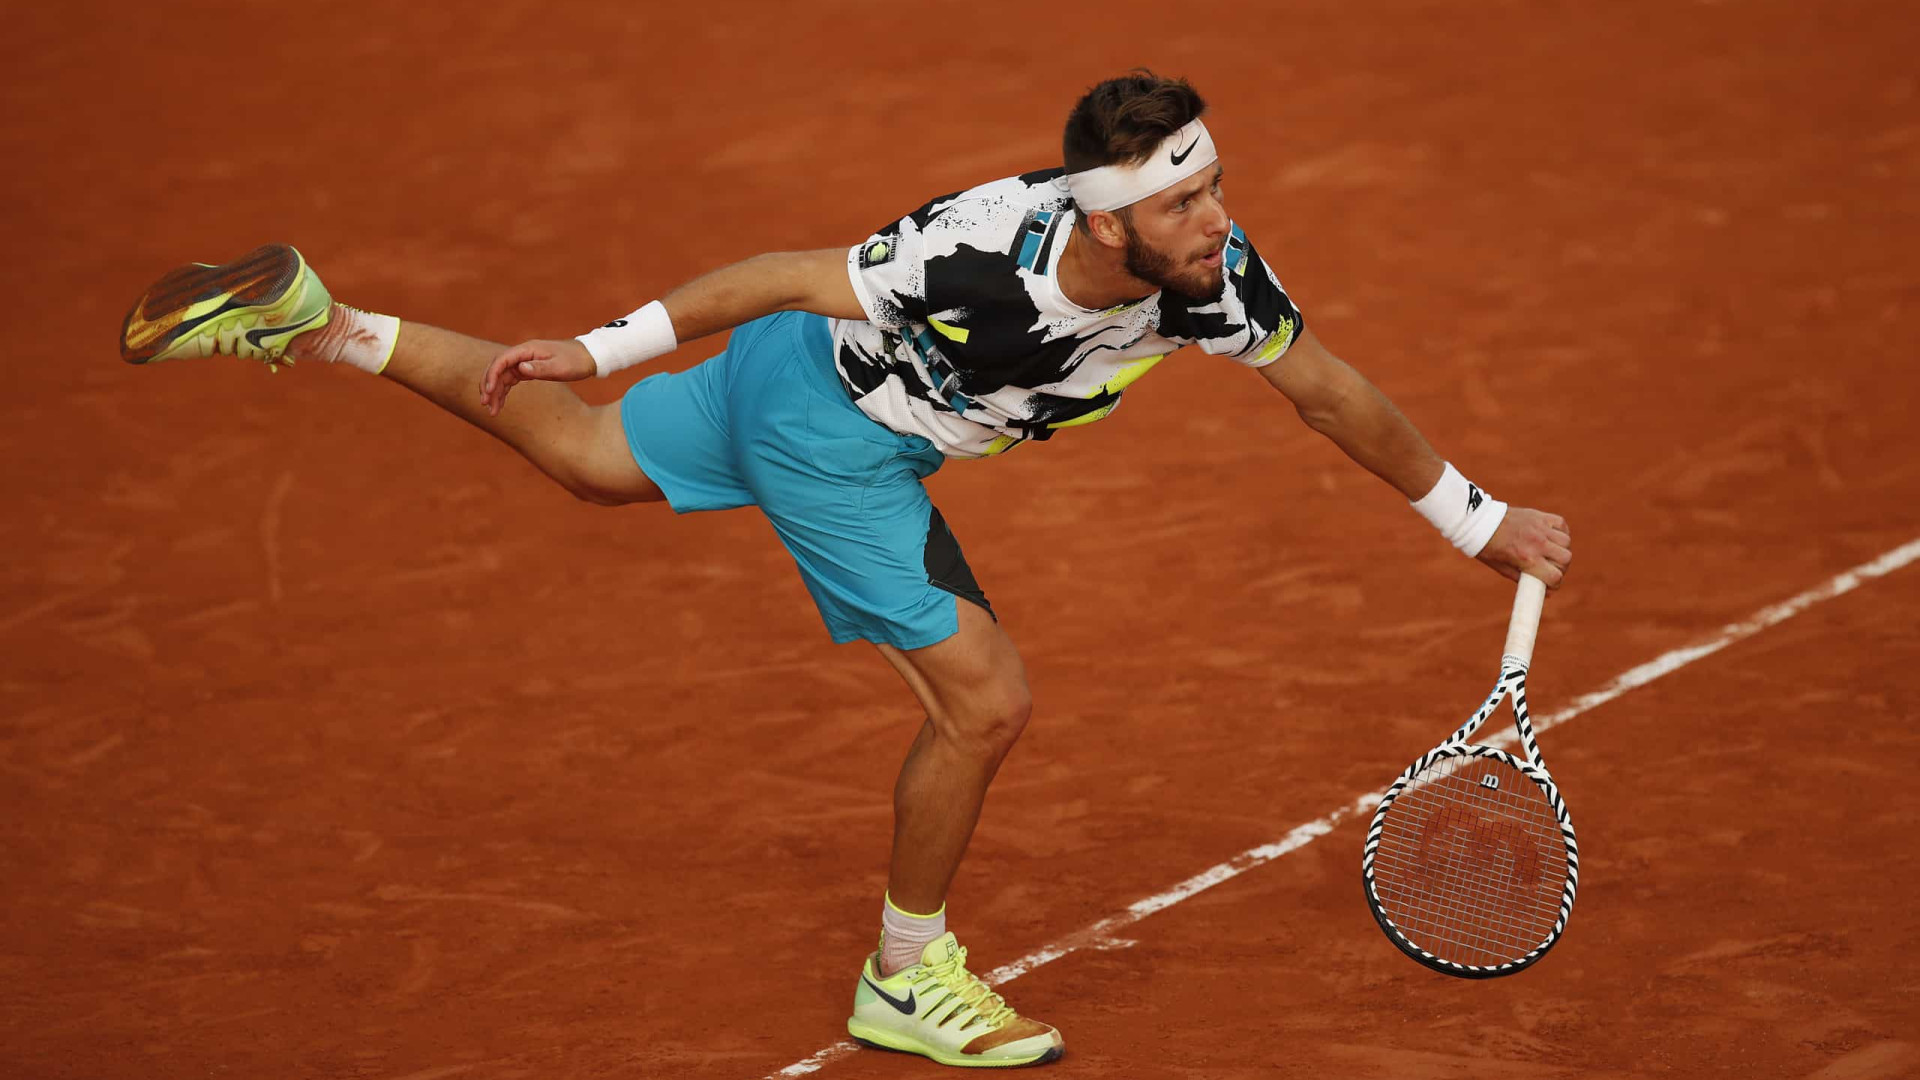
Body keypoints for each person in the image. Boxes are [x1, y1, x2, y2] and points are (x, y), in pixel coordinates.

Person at [118, 70, 1573, 1068]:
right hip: (835, 432)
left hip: (788, 389)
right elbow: (783, 271)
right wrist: (610, 338)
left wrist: (1468, 513)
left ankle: (323, 322)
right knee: (984, 701)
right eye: (1189, 208)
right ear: (1107, 217)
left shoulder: (1209, 278)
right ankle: (905, 974)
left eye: (1217, 193)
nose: (1223, 226)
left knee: (582, 460)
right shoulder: (974, 254)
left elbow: (1323, 388)